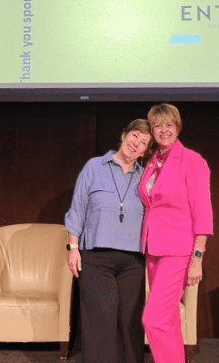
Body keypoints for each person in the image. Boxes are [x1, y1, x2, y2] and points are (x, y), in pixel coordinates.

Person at [64, 119, 153, 363]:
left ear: (146, 151)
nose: (136, 144)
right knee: (101, 318)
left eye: (143, 142)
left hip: (133, 261)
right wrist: (72, 247)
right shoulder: (94, 167)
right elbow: (77, 209)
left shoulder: (147, 178)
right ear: (124, 135)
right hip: (96, 258)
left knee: (129, 322)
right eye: (135, 136)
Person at [139, 103, 213, 363]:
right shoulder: (152, 162)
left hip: (178, 251)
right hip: (153, 249)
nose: (163, 130)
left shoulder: (192, 160)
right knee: (168, 320)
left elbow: (203, 212)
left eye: (168, 124)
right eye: (157, 125)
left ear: (178, 127)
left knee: (153, 318)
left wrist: (197, 257)